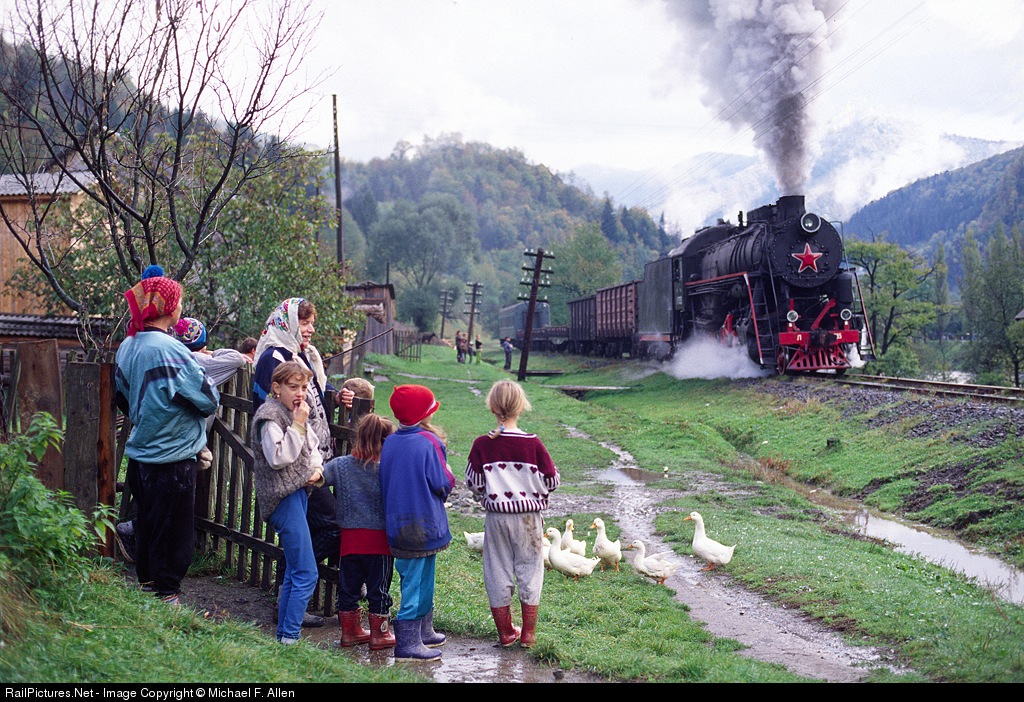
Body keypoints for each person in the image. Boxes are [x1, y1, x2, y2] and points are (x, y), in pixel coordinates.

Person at [114, 265, 220, 605]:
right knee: (175, 531)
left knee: (148, 524)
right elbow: (207, 399)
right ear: (168, 308)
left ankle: (148, 587)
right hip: (173, 457)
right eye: (179, 302)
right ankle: (168, 594)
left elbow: (122, 398)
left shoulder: (128, 346)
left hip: (142, 453)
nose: (181, 308)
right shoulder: (171, 350)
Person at [252, 298, 338, 626]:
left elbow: (314, 395)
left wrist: (338, 393)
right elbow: (274, 415)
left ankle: (287, 600)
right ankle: (289, 602)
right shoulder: (273, 357)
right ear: (286, 323)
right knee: (331, 526)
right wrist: (301, 432)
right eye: (304, 323)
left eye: (311, 322)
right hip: (289, 472)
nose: (311, 329)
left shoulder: (300, 356)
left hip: (308, 466)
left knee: (321, 529)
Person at [465, 380, 559, 648]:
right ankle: (528, 635)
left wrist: (490, 492)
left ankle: (506, 632)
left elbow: (473, 482)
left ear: (492, 407)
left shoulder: (483, 444)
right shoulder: (533, 443)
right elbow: (552, 481)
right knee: (530, 570)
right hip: (529, 518)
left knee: (497, 571)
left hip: (497, 519)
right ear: (521, 406)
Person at [379, 384, 455, 661]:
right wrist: (450, 476)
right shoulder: (429, 442)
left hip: (397, 524)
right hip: (426, 523)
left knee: (414, 576)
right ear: (426, 414)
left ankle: (423, 631)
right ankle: (408, 642)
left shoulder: (390, 441)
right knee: (419, 581)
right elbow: (442, 483)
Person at [251, 361, 325, 644]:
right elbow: (278, 457)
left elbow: (312, 448)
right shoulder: (270, 417)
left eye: (304, 387)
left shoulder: (294, 413)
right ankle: (290, 638)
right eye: (293, 387)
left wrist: (317, 470)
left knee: (297, 571)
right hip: (282, 499)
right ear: (276, 387)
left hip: (299, 494)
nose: (300, 393)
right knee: (306, 572)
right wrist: (297, 424)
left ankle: (284, 637)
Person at [321, 413, 397, 650]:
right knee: (379, 589)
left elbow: (317, 478)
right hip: (380, 543)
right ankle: (379, 634)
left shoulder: (341, 465)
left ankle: (350, 632)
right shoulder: (388, 469)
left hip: (350, 541)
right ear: (386, 443)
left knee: (349, 588)